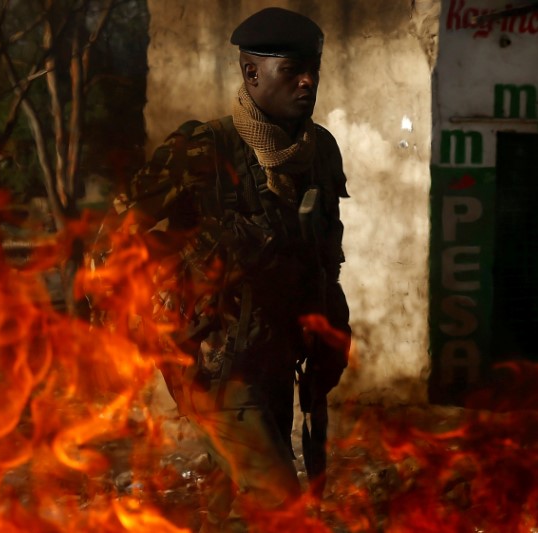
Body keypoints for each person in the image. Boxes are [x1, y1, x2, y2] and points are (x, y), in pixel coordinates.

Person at [93, 7, 351, 531]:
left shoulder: (318, 150)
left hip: (275, 354)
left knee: (226, 499)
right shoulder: (202, 148)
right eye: (292, 70)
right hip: (214, 364)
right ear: (250, 73)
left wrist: (332, 332)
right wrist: (147, 322)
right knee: (281, 503)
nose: (308, 81)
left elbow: (326, 255)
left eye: (314, 69)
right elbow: (111, 245)